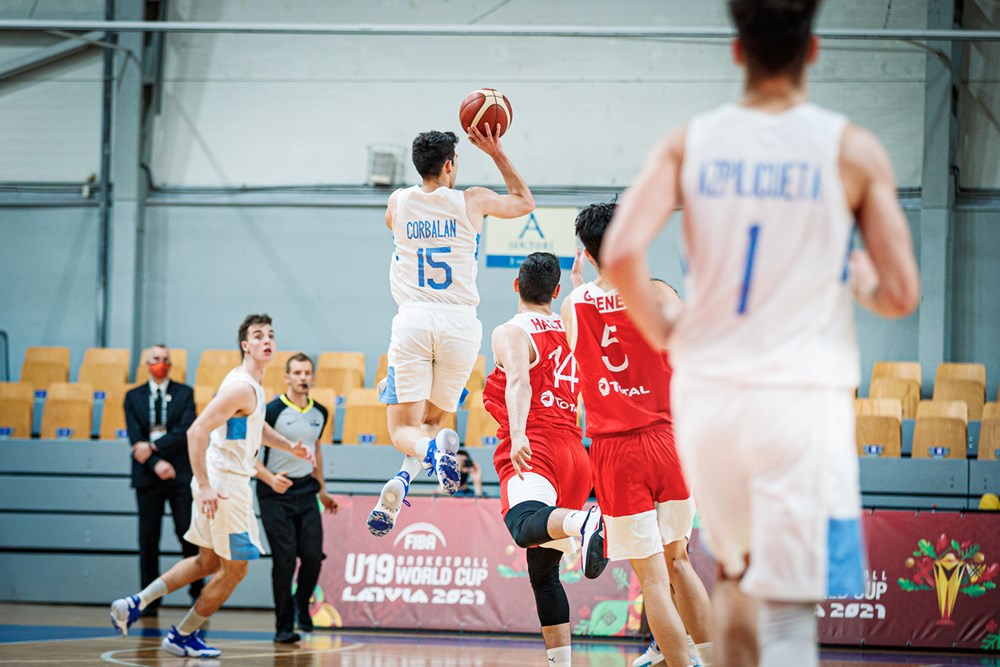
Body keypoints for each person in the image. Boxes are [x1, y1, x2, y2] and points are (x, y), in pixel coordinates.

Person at [601, 1, 921, 664]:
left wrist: (664, 331)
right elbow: (900, 292)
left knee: (740, 577)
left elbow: (623, 250)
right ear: (814, 49)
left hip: (710, 395)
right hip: (797, 396)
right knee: (788, 609)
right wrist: (857, 276)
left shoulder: (690, 143)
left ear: (737, 51)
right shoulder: (851, 150)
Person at [110, 314, 316, 658]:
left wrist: (288, 446)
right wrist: (204, 486)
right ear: (245, 345)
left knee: (206, 563)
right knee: (236, 569)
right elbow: (196, 431)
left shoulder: (250, 384)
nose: (267, 340)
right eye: (258, 335)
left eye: (271, 335)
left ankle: (134, 603)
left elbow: (256, 428)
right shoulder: (240, 386)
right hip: (224, 488)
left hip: (224, 481)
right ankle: (183, 635)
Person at [563, 206, 713, 667]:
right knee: (680, 561)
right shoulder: (657, 292)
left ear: (587, 254)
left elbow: (584, 334)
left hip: (617, 451)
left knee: (651, 579)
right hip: (668, 441)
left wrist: (580, 287)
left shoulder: (575, 304)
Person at [368, 125, 535, 536]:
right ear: (449, 165)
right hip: (461, 323)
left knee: (403, 430)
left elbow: (397, 227)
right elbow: (524, 202)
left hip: (415, 318)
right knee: (435, 421)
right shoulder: (472, 200)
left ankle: (426, 456)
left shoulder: (397, 201)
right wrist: (496, 152)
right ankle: (406, 478)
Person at [483, 251, 608, 667]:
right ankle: (562, 663)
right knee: (543, 571)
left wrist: (518, 435)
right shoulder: (571, 326)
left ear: (516, 285)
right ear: (555, 291)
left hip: (537, 444)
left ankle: (585, 521)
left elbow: (519, 380)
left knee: (522, 526)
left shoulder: (510, 331)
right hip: (576, 453)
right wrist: (579, 288)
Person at [255, 352, 339, 644]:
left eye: (308, 372)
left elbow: (316, 451)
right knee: (285, 560)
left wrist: (323, 490)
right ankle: (283, 625)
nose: (304, 377)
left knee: (313, 558)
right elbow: (250, 453)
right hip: (274, 493)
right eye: (298, 373)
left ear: (312, 377)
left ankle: (302, 605)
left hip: (306, 490)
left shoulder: (321, 412)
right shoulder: (271, 410)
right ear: (287, 377)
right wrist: (268, 478)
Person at [124, 344, 203, 615]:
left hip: (179, 475)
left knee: (188, 535)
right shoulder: (133, 397)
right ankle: (149, 599)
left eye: (166, 359)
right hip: (148, 477)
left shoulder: (184, 393)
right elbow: (136, 439)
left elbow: (185, 431)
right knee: (148, 539)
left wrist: (155, 450)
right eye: (156, 359)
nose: (161, 363)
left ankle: (197, 594)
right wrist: (156, 463)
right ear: (147, 363)